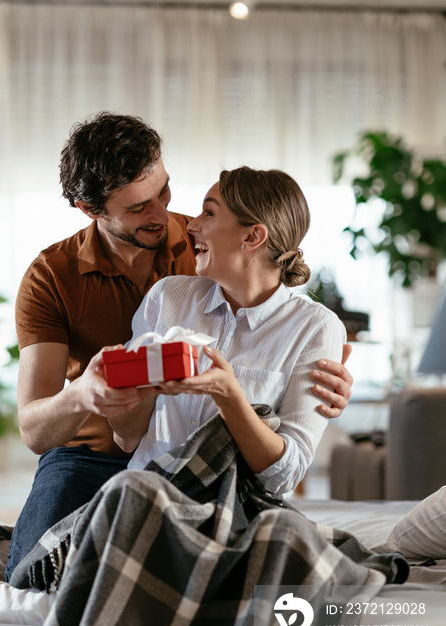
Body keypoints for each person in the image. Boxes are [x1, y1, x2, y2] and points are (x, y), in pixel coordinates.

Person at [5, 112, 353, 582]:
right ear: (91, 210)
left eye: (163, 192)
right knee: (35, 576)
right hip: (88, 455)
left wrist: (319, 384)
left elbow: (279, 299)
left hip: (203, 465)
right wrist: (85, 394)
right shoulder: (53, 276)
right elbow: (35, 429)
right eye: (136, 208)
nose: (164, 216)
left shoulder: (209, 242)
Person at [108, 166, 347, 492]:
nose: (191, 225)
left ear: (252, 237)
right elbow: (126, 438)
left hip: (232, 508)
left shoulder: (315, 328)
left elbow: (286, 476)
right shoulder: (167, 298)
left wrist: (228, 395)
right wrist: (135, 385)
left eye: (209, 213)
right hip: (146, 495)